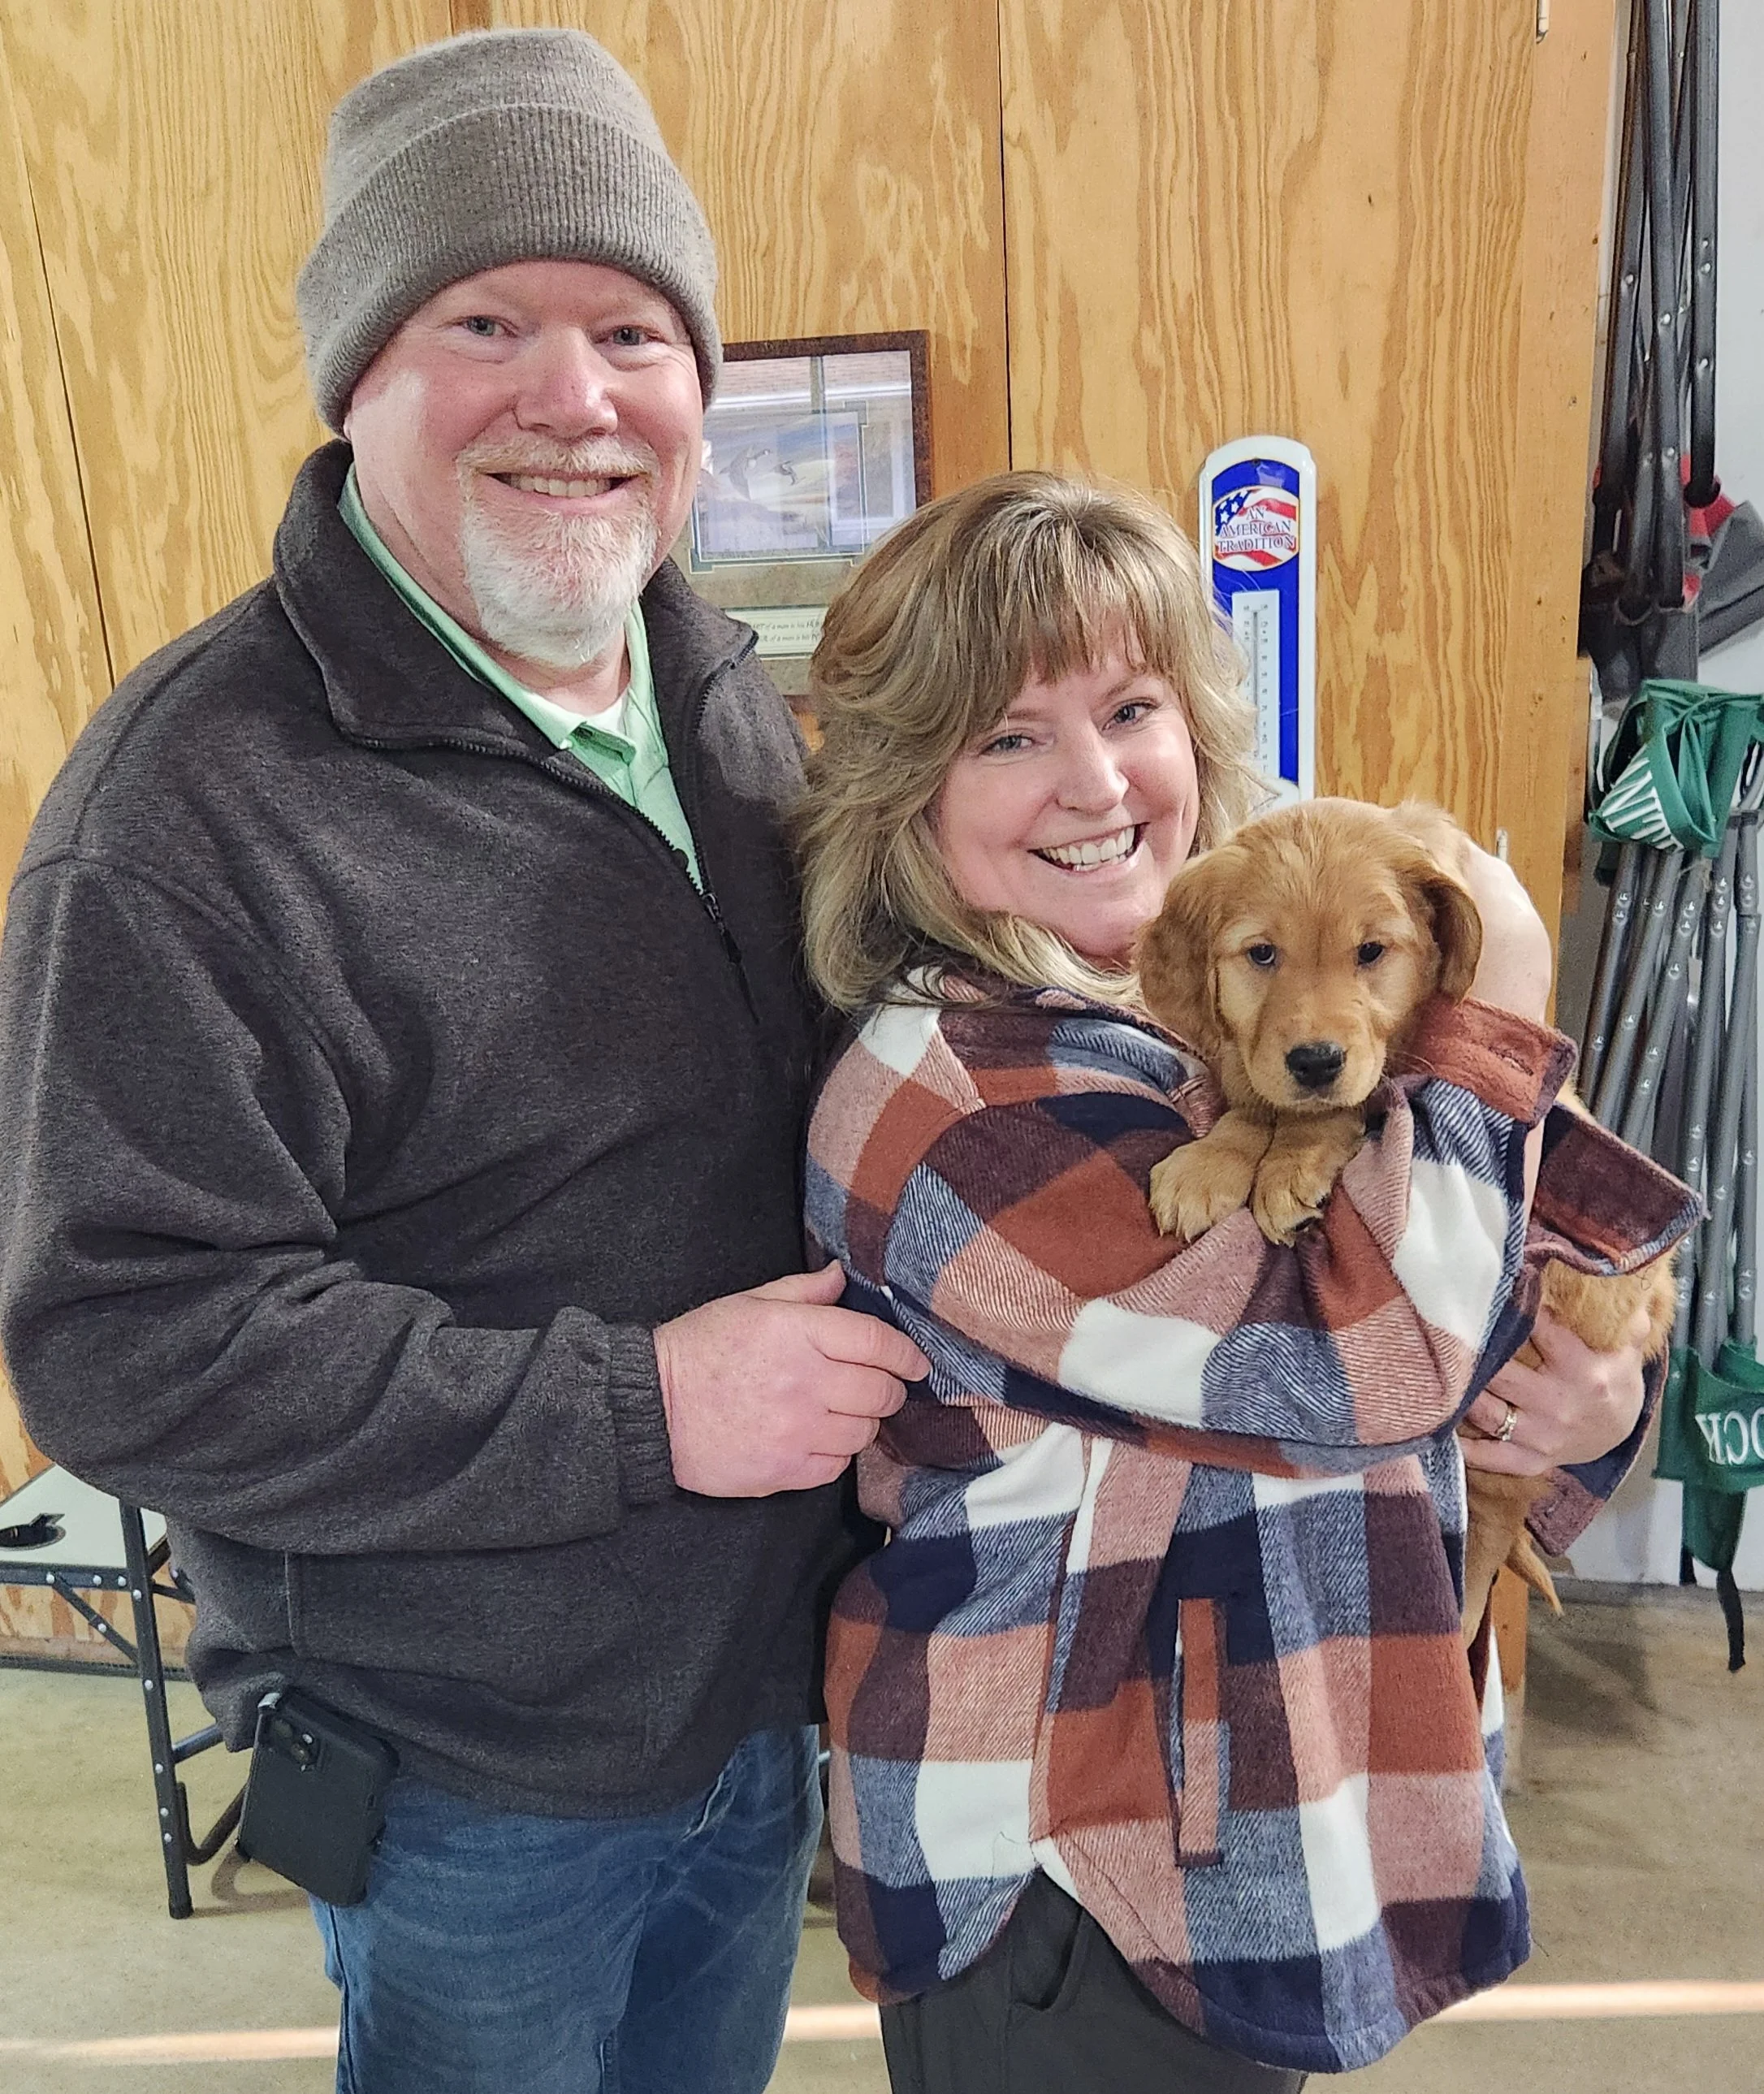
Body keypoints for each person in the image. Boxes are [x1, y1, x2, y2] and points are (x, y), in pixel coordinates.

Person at [0, 28, 927, 2094]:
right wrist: (647, 1402)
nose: (573, 396)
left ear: (699, 390)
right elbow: (128, 1339)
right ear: (358, 382)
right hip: (471, 1781)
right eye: (484, 321)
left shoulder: (725, 697)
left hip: (756, 1697)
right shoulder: (183, 817)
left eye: (628, 327)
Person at [796, 472, 1691, 2090]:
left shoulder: (1218, 993)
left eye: (1129, 706)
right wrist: (1508, 985)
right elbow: (1366, 1369)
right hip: (1074, 1862)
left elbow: (1549, 1254)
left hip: (1273, 1809)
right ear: (900, 787)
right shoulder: (946, 1101)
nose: (1094, 780)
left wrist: (1591, 1403)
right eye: (1007, 735)